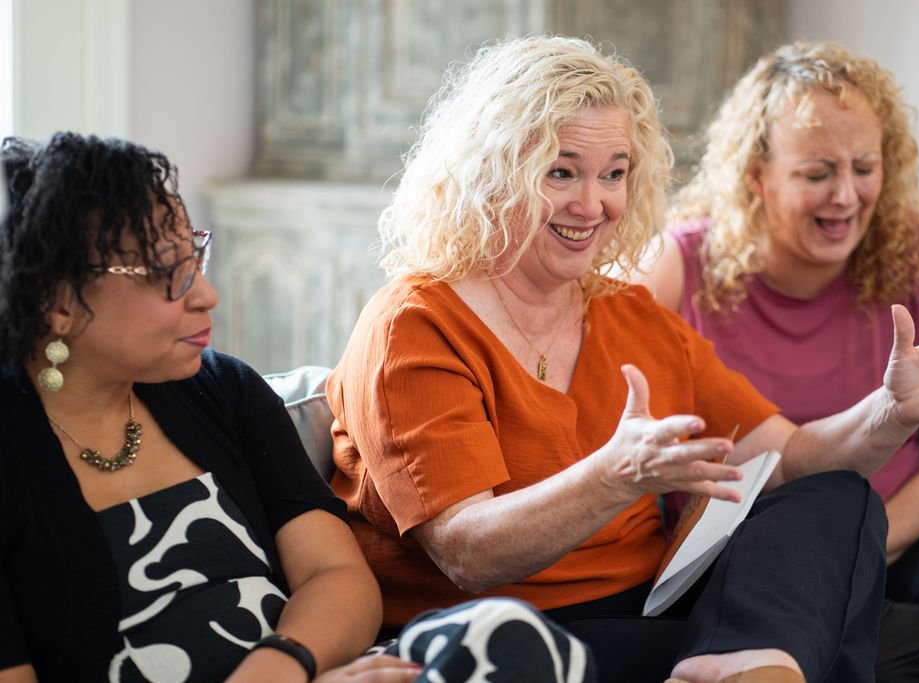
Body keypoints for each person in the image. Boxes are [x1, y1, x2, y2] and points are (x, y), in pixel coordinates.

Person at [325, 35, 919, 683]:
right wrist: (612, 476)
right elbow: (467, 551)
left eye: (614, 173)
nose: (592, 203)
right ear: (490, 173)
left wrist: (891, 411)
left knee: (833, 497)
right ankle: (761, 662)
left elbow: (792, 458)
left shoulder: (630, 313)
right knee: (884, 642)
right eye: (560, 172)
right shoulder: (413, 323)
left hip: (649, 612)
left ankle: (745, 663)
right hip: (500, 627)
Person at [0, 132, 596, 683]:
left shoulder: (222, 390)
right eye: (169, 274)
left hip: (310, 670)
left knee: (502, 634)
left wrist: (284, 668)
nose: (206, 294)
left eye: (196, 259)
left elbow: (336, 577)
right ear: (57, 303)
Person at [636, 40, 919, 681]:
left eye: (864, 167)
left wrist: (860, 552)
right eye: (817, 174)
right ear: (755, 175)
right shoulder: (676, 267)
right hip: (763, 556)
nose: (846, 196)